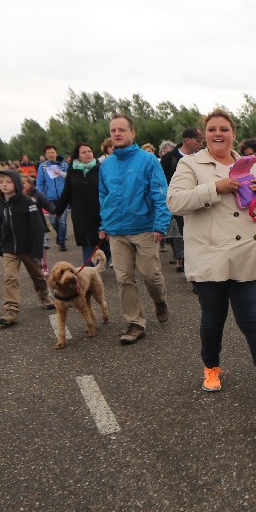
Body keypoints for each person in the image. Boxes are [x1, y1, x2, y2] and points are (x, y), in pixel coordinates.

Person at [167, 108, 256, 410]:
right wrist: (215, 187)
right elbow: (174, 201)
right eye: (212, 129)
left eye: (224, 129)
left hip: (250, 253)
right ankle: (211, 367)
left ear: (233, 134)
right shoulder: (190, 164)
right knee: (213, 319)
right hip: (211, 255)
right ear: (205, 134)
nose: (218, 134)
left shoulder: (250, 165)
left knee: (255, 322)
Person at [98, 112, 170, 345]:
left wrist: (161, 224)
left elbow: (160, 193)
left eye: (122, 130)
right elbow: (104, 197)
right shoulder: (106, 165)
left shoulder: (148, 160)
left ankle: (160, 301)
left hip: (145, 228)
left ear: (132, 133)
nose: (117, 133)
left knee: (150, 275)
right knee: (124, 278)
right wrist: (103, 224)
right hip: (116, 231)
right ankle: (135, 322)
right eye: (113, 130)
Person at [0, 170, 52, 327]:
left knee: (37, 275)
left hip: (28, 248)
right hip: (9, 249)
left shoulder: (27, 201)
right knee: (10, 278)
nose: (4, 185)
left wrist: (37, 248)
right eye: (1, 182)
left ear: (16, 183)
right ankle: (11, 311)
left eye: (8, 181)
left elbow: (37, 226)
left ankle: (44, 297)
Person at [55, 142, 109, 267]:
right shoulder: (72, 171)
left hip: (100, 214)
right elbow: (67, 192)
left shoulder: (101, 169)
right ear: (77, 155)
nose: (87, 154)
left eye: (89, 151)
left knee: (105, 245)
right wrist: (58, 210)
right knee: (87, 244)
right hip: (80, 216)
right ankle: (89, 273)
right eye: (84, 152)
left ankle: (102, 262)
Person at [161, 127, 201, 272]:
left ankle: (194, 265)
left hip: (198, 201)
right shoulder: (169, 158)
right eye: (198, 140)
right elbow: (161, 180)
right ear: (187, 140)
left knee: (197, 235)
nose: (200, 143)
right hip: (178, 203)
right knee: (183, 233)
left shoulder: (201, 157)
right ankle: (186, 264)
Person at [36, 144, 69, 251]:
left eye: (52, 152)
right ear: (45, 155)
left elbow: (69, 179)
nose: (51, 154)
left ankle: (61, 242)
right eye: (48, 153)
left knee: (62, 221)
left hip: (63, 198)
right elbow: (40, 182)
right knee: (53, 221)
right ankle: (60, 234)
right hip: (49, 199)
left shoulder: (64, 165)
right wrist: (40, 196)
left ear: (56, 153)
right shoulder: (43, 167)